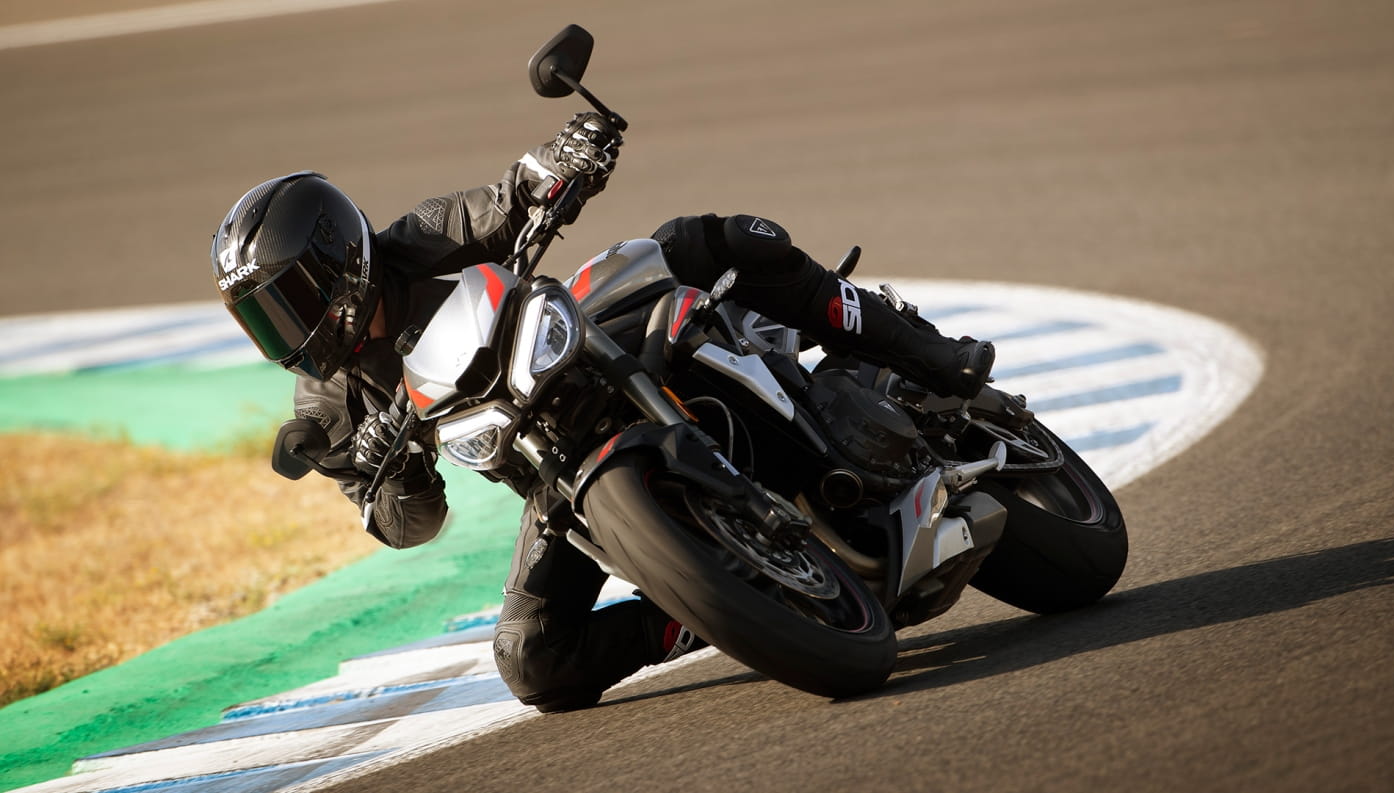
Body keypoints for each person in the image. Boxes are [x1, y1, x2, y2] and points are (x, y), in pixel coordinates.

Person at [210, 112, 995, 712]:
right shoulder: (327, 406)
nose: (288, 330)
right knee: (532, 660)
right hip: (550, 466)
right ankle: (706, 605)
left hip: (593, 356)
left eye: (291, 300)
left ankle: (926, 353)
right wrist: (400, 471)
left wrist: (565, 161)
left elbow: (508, 201)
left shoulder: (415, 243)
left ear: (339, 260)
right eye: (264, 318)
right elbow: (404, 522)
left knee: (698, 242)